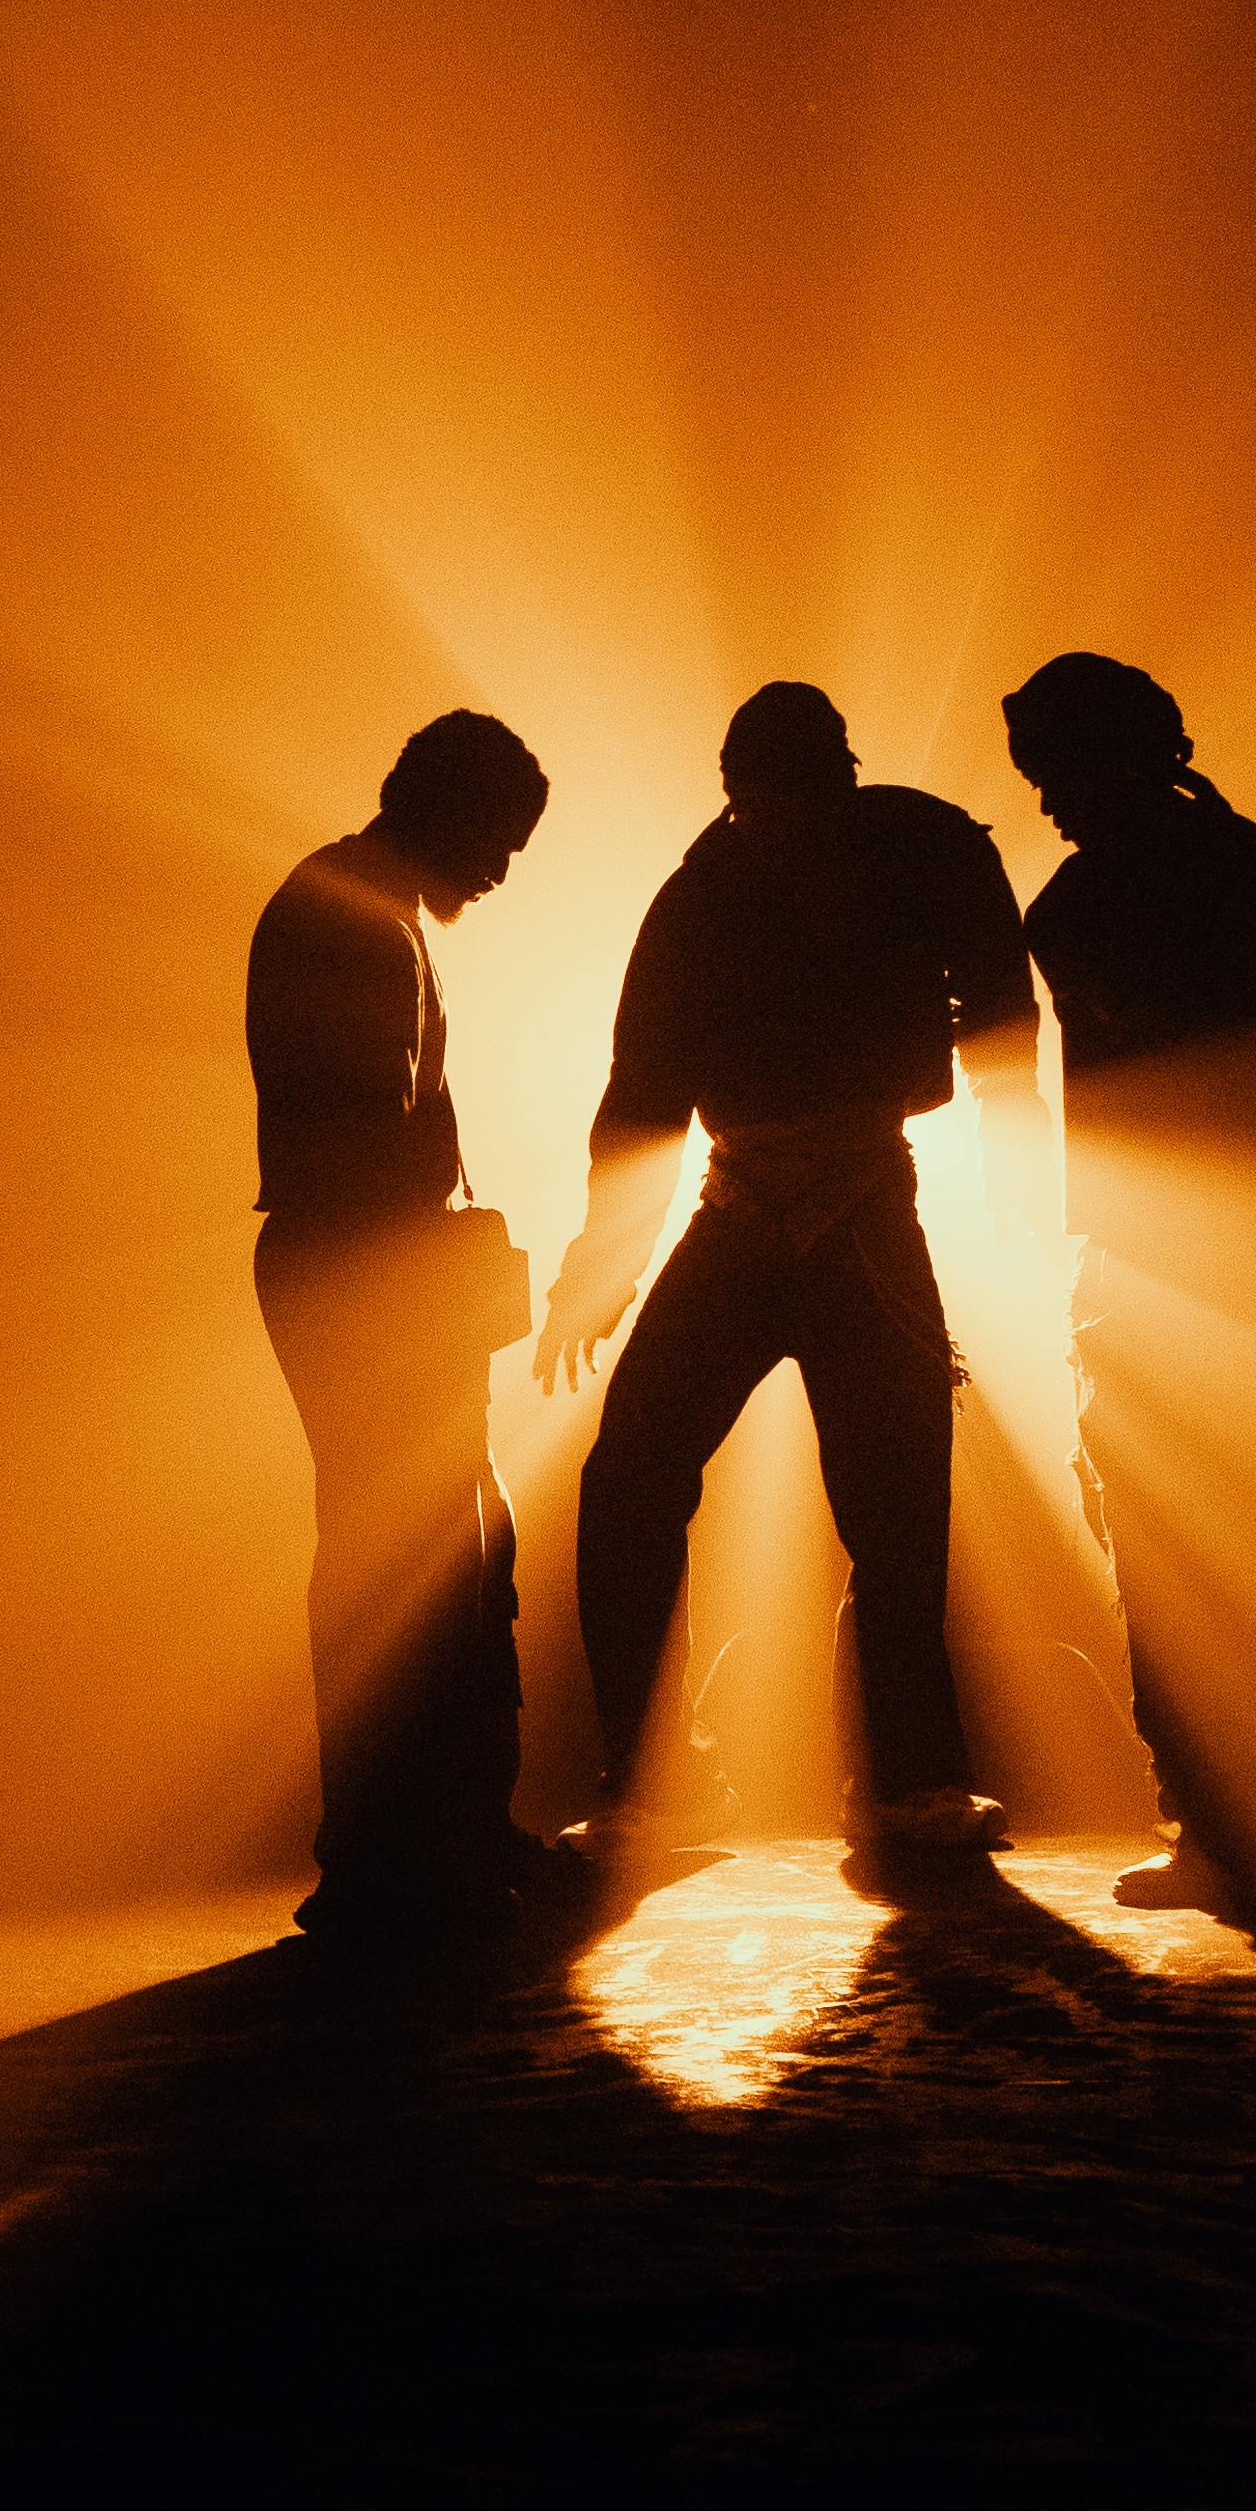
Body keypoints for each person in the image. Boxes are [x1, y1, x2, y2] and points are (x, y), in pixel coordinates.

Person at [537, 683, 1055, 1853]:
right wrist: (598, 1265)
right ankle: (659, 1781)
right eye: (746, 797)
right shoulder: (713, 892)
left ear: (836, 786)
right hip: (768, 1206)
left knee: (896, 1501)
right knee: (637, 1478)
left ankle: (910, 1778)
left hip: (857, 1205)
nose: (761, 817)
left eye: (783, 795)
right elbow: (641, 1094)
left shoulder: (905, 855)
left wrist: (1020, 1149)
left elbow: (1000, 1007)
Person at [1001, 653, 1256, 1934]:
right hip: (1219, 1235)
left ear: (1114, 755)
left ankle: (1237, 1814)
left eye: (1055, 772)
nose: (1044, 801)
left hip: (1173, 1246)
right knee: (1204, 1520)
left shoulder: (1089, 899)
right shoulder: (1233, 860)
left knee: (1175, 1531)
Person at [248, 710, 561, 1943]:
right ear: (446, 808)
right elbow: (367, 1140)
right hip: (366, 1270)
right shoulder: (358, 923)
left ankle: (426, 1844)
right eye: (499, 840)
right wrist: (437, 1272)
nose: (500, 870)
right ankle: (401, 1858)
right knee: (420, 1567)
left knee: (437, 1558)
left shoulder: (356, 906)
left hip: (359, 1263)